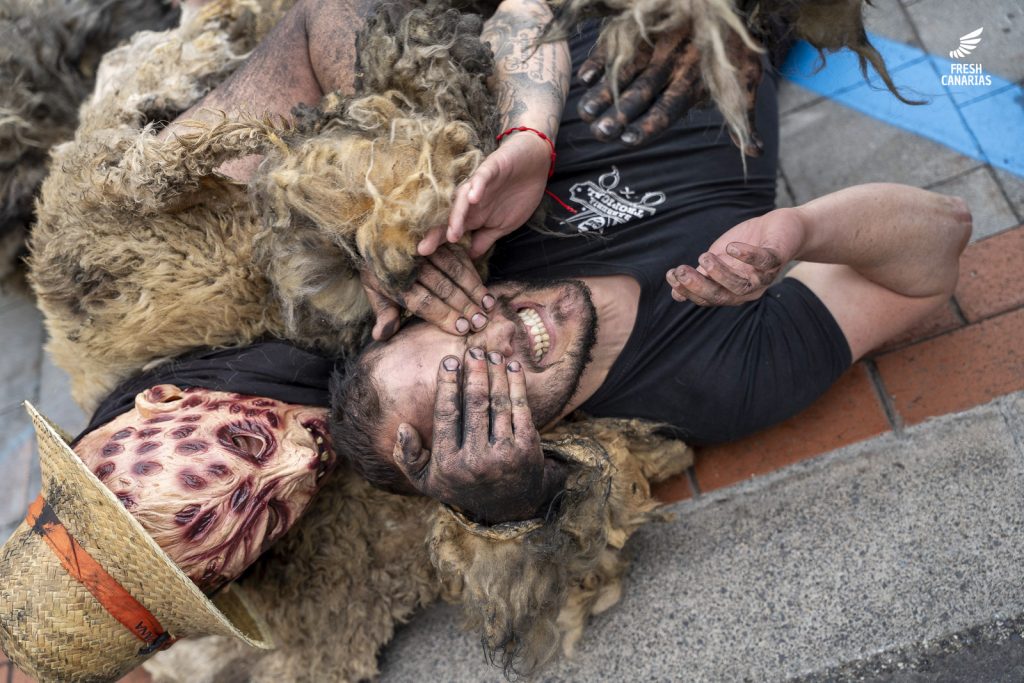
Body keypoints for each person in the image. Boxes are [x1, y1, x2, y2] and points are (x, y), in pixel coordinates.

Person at [330, 18, 973, 525]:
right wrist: (805, 228)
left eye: (462, 329)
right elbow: (941, 241)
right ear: (512, 448)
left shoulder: (474, 225)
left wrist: (524, 137)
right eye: (482, 399)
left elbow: (521, 11)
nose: (503, 335)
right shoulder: (709, 380)